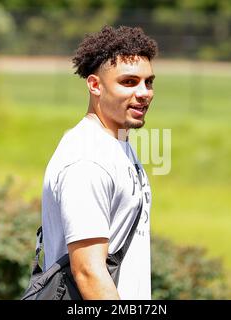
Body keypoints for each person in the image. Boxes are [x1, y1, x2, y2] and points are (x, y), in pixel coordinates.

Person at [40, 25, 158, 300]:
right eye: (128, 82)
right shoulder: (87, 159)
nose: (144, 93)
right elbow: (88, 271)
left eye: (148, 82)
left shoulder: (116, 144)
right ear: (95, 85)